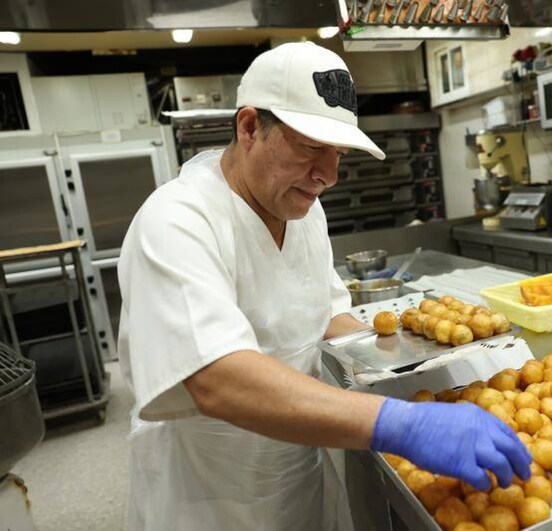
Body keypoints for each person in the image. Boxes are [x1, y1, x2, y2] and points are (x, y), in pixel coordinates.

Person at [118, 41, 530, 531]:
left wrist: (413, 370)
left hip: (298, 473)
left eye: (337, 152)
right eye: (311, 148)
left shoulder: (302, 208)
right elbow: (214, 378)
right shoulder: (177, 220)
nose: (328, 175)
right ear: (249, 127)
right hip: (209, 496)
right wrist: (398, 423)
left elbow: (329, 317)